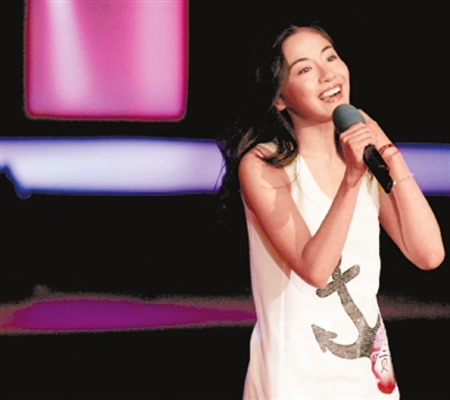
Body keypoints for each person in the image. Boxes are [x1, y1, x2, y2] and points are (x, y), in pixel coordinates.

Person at [218, 22, 445, 399]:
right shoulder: (264, 165)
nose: (328, 75)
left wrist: (388, 153)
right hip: (295, 381)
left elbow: (429, 254)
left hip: (370, 381)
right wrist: (351, 180)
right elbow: (315, 269)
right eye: (306, 69)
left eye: (331, 58)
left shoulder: (364, 160)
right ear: (280, 98)